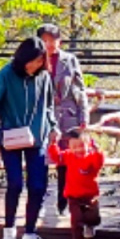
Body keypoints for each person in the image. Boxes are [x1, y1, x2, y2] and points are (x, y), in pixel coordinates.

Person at [0, 37, 56, 239]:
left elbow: (48, 107)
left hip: (37, 137)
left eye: (40, 61)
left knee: (38, 186)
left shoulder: (44, 77)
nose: (36, 65)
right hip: (11, 137)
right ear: (23, 58)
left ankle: (30, 233)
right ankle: (9, 230)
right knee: (15, 184)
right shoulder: (6, 75)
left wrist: (53, 126)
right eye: (33, 61)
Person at [35, 23, 89, 220]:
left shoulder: (69, 60)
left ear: (60, 41)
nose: (48, 44)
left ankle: (63, 202)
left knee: (66, 161)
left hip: (67, 115)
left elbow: (80, 89)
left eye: (52, 40)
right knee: (41, 159)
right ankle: (38, 202)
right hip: (42, 116)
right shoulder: (35, 60)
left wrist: (83, 117)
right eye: (44, 40)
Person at [49, 126, 107, 239]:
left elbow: (99, 163)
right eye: (74, 147)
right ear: (69, 147)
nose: (78, 150)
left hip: (90, 195)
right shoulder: (69, 156)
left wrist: (98, 151)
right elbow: (57, 157)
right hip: (73, 195)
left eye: (81, 146)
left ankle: (91, 225)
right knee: (76, 220)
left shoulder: (91, 157)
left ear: (88, 144)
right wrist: (53, 144)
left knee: (92, 216)